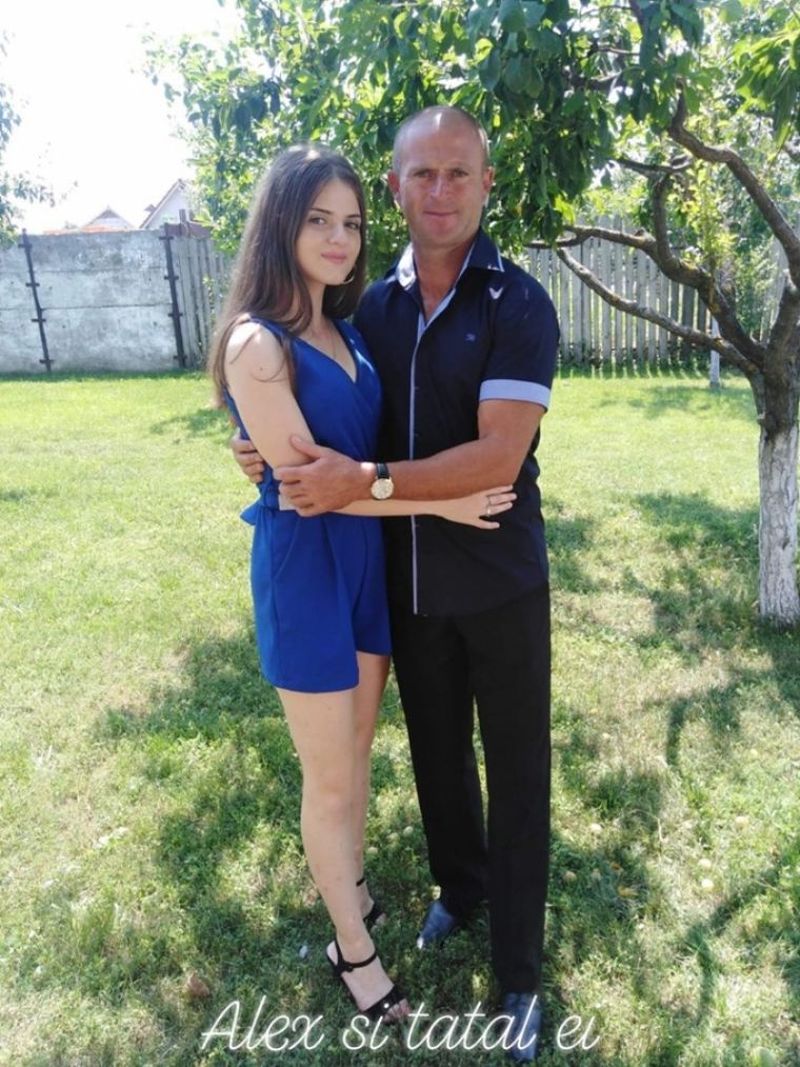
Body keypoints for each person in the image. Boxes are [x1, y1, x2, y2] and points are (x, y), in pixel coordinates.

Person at [232, 111, 557, 1061]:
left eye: (459, 172)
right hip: (401, 577)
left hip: (497, 570)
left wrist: (360, 482)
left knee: (517, 770)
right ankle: (459, 888)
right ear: (398, 186)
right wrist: (256, 443)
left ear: (486, 184)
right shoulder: (369, 311)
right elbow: (321, 423)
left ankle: (519, 974)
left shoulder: (520, 302)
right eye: (423, 173)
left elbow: (496, 455)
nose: (441, 190)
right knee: (435, 758)